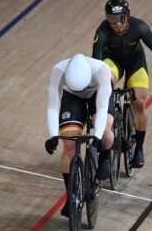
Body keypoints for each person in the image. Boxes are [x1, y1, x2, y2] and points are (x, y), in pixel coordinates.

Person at [92, 0, 152, 168]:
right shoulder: (102, 31)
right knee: (104, 82)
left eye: (121, 18)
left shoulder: (139, 26)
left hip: (136, 62)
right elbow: (96, 61)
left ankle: (139, 149)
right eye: (112, 19)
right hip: (113, 61)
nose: (117, 23)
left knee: (138, 102)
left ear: (128, 16)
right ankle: (110, 120)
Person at [44, 53, 114, 217]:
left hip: (97, 92)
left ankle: (105, 156)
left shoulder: (101, 70)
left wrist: (97, 135)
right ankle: (71, 196)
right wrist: (52, 135)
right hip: (72, 96)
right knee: (69, 144)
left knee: (104, 130)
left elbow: (102, 108)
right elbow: (53, 105)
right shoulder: (58, 70)